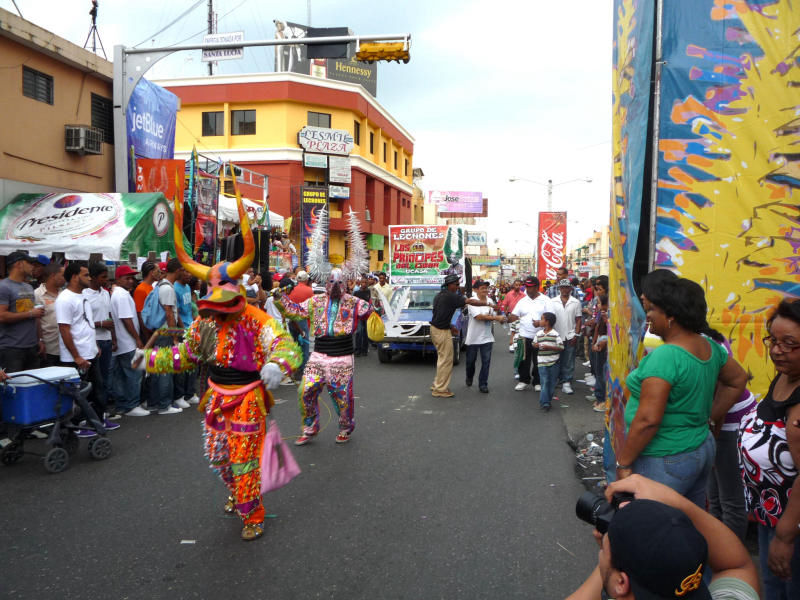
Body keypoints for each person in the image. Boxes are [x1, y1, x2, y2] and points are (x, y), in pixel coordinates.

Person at [135, 187, 302, 541]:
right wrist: (148, 358)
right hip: (215, 395)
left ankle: (252, 512)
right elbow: (186, 354)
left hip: (246, 399)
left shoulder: (258, 319)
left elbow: (286, 344)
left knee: (243, 458)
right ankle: (238, 492)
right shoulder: (206, 321)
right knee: (219, 456)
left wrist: (278, 365)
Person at [614, 271, 747, 508]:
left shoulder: (666, 356)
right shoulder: (708, 347)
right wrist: (709, 417)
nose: (648, 315)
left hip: (665, 457)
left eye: (653, 310)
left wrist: (623, 463)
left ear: (671, 317)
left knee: (653, 528)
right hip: (699, 449)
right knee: (686, 523)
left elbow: (647, 420)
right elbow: (737, 379)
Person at [567, 474, 761, 600]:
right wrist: (677, 503)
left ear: (621, 584)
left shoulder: (616, 582)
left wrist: (611, 553)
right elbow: (737, 565)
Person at [738, 298, 800, 598]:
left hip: (791, 527)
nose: (777, 350)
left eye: (790, 344)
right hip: (769, 515)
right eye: (773, 340)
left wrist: (786, 537)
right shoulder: (786, 375)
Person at [278, 268, 372, 443]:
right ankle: (310, 427)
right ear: (325, 283)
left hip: (342, 356)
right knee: (305, 390)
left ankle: (345, 427)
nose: (335, 286)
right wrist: (279, 298)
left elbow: (371, 314)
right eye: (331, 281)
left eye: (339, 282)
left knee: (342, 396)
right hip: (318, 355)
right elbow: (294, 311)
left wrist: (375, 316)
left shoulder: (355, 302)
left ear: (346, 284)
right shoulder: (315, 301)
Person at [55, 262, 106, 436]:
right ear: (75, 276)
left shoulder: (82, 295)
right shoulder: (65, 299)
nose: (90, 278)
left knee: (97, 391)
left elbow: (86, 323)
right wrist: (76, 356)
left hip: (90, 352)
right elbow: (64, 329)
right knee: (78, 396)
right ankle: (76, 427)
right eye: (86, 275)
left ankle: (97, 423)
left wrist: (95, 345)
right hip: (76, 358)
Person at [429, 274, 487, 398]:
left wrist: (450, 326)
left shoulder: (440, 295)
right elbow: (469, 301)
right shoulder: (451, 296)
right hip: (441, 331)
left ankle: (437, 384)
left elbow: (438, 314)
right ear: (450, 285)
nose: (458, 287)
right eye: (456, 285)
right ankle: (440, 389)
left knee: (442, 359)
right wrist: (486, 303)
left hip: (436, 329)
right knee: (446, 361)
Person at [149, 258, 186, 414]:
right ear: (178, 270)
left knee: (159, 369)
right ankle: (164, 405)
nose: (186, 273)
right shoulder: (167, 289)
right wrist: (174, 337)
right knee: (165, 370)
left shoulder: (163, 286)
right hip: (165, 334)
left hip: (161, 333)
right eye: (183, 269)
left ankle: (156, 402)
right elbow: (169, 314)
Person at [109, 265, 147, 417]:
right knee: (133, 374)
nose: (131, 281)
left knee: (122, 375)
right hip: (127, 342)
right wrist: (137, 339)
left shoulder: (119, 294)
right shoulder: (122, 295)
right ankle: (131, 405)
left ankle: (123, 405)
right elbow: (126, 319)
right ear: (118, 279)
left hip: (123, 342)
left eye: (132, 278)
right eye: (127, 278)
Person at [507, 276, 554, 393]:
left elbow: (552, 318)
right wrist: (506, 318)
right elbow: (514, 315)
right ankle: (523, 380)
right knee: (523, 360)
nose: (528, 290)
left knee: (538, 360)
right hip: (524, 335)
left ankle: (537, 381)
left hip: (540, 336)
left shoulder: (546, 300)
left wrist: (540, 323)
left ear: (537, 287)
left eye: (531, 287)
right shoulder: (522, 301)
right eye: (527, 287)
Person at [0, 251, 43, 372]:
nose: (33, 266)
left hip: (31, 346)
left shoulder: (28, 287)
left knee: (31, 385)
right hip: (11, 348)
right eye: (29, 263)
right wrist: (30, 314)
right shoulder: (3, 287)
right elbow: (1, 316)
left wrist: (39, 339)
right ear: (18, 264)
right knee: (13, 387)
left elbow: (35, 315)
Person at [84, 261, 116, 420]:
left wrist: (114, 338)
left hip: (107, 340)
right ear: (93, 278)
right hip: (93, 342)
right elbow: (83, 321)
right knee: (96, 380)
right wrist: (101, 324)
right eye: (103, 277)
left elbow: (110, 317)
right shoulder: (84, 294)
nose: (106, 280)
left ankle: (103, 412)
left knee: (106, 378)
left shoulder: (105, 293)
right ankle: (93, 414)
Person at [464, 280, 504, 393]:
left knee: (486, 362)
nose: (485, 290)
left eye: (486, 288)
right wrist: (496, 318)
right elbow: (479, 317)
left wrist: (501, 317)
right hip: (473, 338)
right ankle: (469, 377)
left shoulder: (490, 300)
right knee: (470, 361)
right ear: (475, 289)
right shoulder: (472, 301)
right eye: (482, 288)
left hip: (487, 337)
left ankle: (483, 384)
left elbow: (495, 315)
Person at [173, 265, 198, 406]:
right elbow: (176, 313)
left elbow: (189, 310)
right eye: (186, 271)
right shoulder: (175, 288)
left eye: (190, 271)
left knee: (193, 365)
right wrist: (183, 330)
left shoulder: (187, 288)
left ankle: (190, 393)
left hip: (192, 329)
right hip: (183, 331)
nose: (189, 274)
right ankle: (179, 396)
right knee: (182, 366)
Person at [552, 279, 582, 395]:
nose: (564, 289)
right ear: (559, 289)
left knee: (569, 359)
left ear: (570, 289)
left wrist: (576, 334)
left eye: (566, 287)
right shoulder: (552, 301)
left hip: (570, 335)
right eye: (562, 287)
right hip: (556, 335)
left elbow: (578, 320)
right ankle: (556, 379)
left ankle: (567, 382)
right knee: (556, 359)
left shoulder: (576, 302)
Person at [34, 262, 65, 367]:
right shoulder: (37, 294)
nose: (65, 278)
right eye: (63, 275)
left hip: (66, 348)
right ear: (53, 276)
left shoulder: (64, 294)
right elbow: (36, 320)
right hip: (48, 348)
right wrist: (40, 341)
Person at [534, 311, 563, 411]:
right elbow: (534, 343)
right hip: (542, 361)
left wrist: (549, 347)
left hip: (554, 362)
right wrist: (536, 345)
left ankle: (548, 400)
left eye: (542, 319)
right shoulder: (539, 334)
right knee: (545, 381)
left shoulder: (555, 334)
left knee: (552, 383)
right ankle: (545, 402)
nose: (540, 321)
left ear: (547, 322)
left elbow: (561, 347)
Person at [589, 294, 609, 413]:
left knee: (602, 373)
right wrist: (594, 342)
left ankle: (602, 400)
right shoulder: (601, 315)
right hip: (600, 341)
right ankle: (599, 397)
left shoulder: (609, 316)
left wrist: (607, 321)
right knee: (598, 371)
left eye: (600, 303)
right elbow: (597, 328)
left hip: (604, 342)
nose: (598, 306)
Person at [133, 261, 160, 335]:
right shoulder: (140, 289)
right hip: (147, 332)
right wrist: (146, 336)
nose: (159, 273)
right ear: (152, 272)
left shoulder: (151, 287)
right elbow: (140, 315)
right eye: (158, 271)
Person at [499, 279, 525, 353]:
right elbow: (505, 304)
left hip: (521, 316)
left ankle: (516, 345)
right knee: (513, 330)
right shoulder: (509, 294)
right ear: (513, 285)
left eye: (519, 285)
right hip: (511, 315)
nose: (517, 286)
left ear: (521, 286)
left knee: (519, 331)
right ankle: (512, 345)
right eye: (516, 285)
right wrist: (504, 312)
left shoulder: (524, 295)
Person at [352, 274, 372, 357]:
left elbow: (371, 302)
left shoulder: (369, 292)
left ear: (367, 283)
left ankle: (364, 350)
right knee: (359, 332)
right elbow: (353, 304)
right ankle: (358, 349)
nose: (364, 284)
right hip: (359, 316)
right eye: (362, 282)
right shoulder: (356, 293)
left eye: (365, 282)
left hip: (367, 315)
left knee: (365, 333)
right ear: (360, 283)